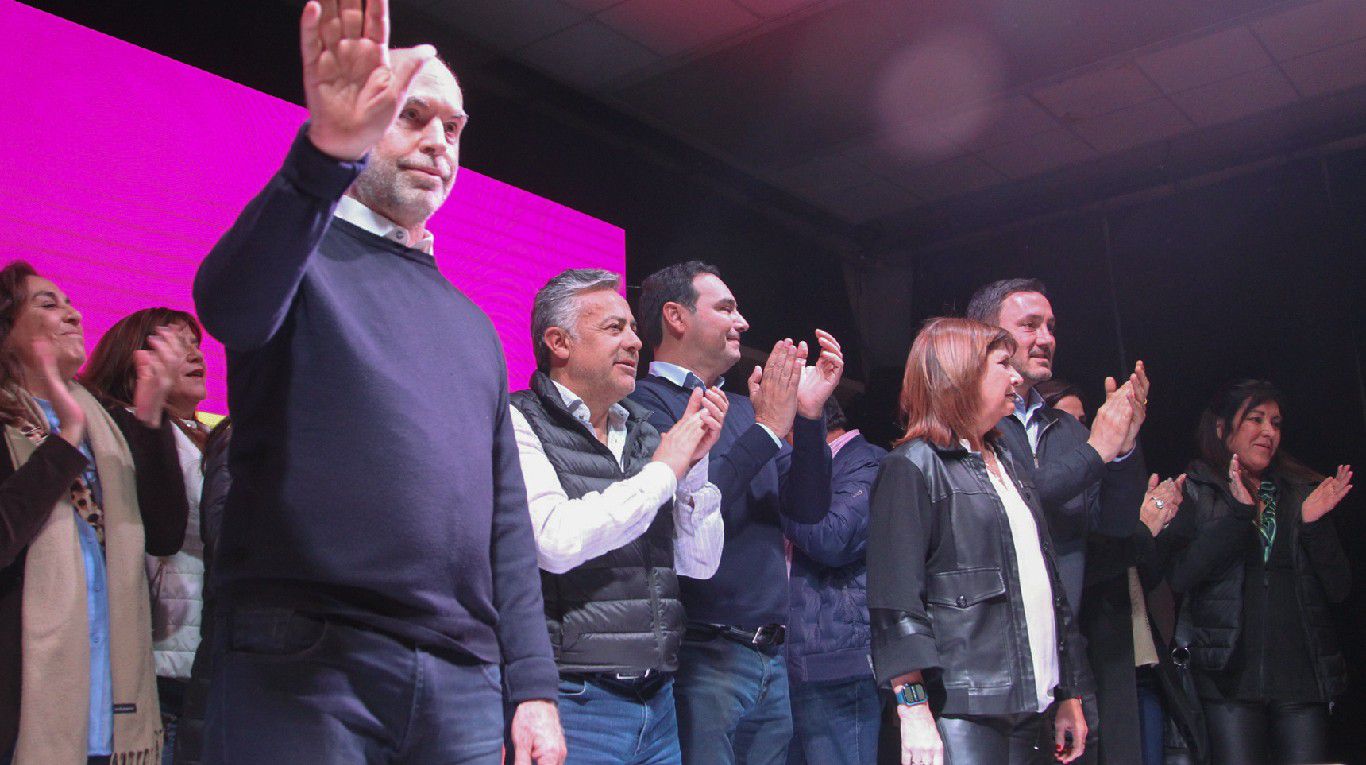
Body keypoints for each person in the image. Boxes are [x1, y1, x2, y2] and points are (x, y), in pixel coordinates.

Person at [192, 1, 563, 762]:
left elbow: (508, 527)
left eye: (452, 128)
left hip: (461, 683)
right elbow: (227, 303)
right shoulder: (301, 255)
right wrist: (325, 155)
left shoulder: (473, 327)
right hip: (305, 661)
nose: (436, 143)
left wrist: (532, 688)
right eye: (411, 115)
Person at [510, 268, 726, 764]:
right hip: (574, 699)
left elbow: (699, 565)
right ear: (558, 342)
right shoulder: (518, 419)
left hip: (658, 699)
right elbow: (554, 540)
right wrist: (664, 472)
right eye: (614, 329)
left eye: (632, 328)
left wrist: (693, 469)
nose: (634, 341)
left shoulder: (649, 433)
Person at [630, 261, 842, 764]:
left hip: (771, 657)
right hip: (701, 655)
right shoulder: (641, 404)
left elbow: (808, 510)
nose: (742, 322)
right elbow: (688, 510)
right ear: (676, 317)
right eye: (725, 308)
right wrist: (768, 430)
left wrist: (808, 418)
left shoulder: (748, 409)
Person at [868, 317, 1091, 765]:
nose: (1016, 376)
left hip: (1031, 703)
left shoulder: (1008, 461)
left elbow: (1047, 583)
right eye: (1003, 364)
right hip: (961, 710)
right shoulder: (913, 466)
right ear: (961, 372)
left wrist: (1069, 691)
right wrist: (913, 710)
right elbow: (895, 604)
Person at [0, 261, 189, 764]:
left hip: (108, 718)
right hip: (22, 714)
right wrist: (65, 438)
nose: (73, 313)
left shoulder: (108, 422)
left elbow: (164, 535)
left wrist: (149, 416)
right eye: (47, 303)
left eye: (69, 302)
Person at [1166, 380, 1352, 765]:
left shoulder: (1301, 492)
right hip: (1229, 681)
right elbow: (1181, 578)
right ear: (1222, 428)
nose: (1269, 432)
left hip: (1301, 680)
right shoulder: (1198, 491)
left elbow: (1340, 588)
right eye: (1256, 419)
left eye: (1276, 423)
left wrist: (1314, 527)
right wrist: (1237, 515)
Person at [81, 307, 211, 765]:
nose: (196, 353)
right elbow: (164, 530)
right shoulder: (118, 426)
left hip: (209, 668)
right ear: (135, 358)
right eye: (177, 344)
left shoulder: (212, 437)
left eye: (195, 344)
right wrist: (149, 411)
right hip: (156, 669)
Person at [784, 396, 887, 765]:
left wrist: (773, 497)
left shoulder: (867, 461)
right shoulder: (791, 466)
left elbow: (834, 538)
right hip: (785, 661)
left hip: (837, 663)